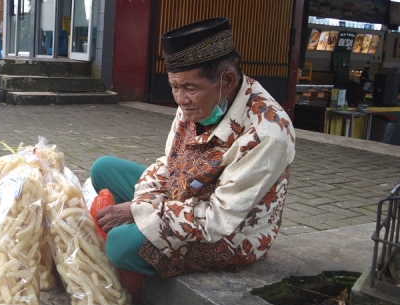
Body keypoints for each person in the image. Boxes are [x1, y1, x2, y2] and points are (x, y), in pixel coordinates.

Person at [91, 18, 295, 278]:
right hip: (183, 196)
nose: (180, 99)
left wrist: (138, 211)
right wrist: (145, 205)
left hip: (228, 233)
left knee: (119, 245)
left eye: (189, 88)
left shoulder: (267, 134)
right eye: (174, 87)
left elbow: (218, 220)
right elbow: (170, 162)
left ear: (228, 81)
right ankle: (142, 224)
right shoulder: (196, 100)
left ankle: (143, 242)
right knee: (103, 169)